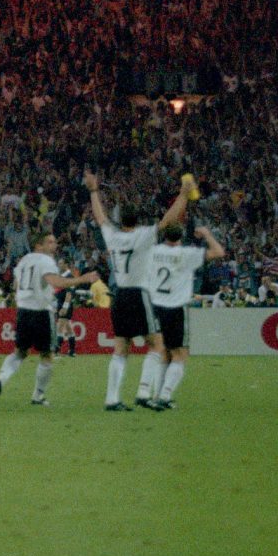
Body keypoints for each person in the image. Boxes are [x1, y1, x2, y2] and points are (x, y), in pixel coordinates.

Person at [85, 172, 190, 410]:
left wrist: (93, 192)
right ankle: (143, 392)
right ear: (137, 221)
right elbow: (168, 220)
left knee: (121, 348)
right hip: (139, 294)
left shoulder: (112, 236)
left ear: (120, 222)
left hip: (119, 294)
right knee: (157, 344)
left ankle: (112, 399)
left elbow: (101, 218)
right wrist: (183, 196)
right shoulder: (143, 235)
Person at [0, 232, 99, 407]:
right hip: (41, 311)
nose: (54, 245)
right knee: (47, 356)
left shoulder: (24, 261)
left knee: (19, 352)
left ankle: (0, 380)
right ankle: (38, 395)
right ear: (38, 245)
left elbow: (17, 285)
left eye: (54, 242)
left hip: (23, 311)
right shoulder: (45, 261)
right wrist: (83, 278)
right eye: (50, 242)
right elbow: (55, 281)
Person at [145, 223, 225, 411]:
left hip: (156, 306)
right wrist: (206, 234)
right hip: (176, 307)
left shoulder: (153, 251)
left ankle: (157, 395)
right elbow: (219, 252)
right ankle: (164, 396)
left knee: (164, 352)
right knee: (180, 354)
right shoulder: (187, 254)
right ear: (180, 237)